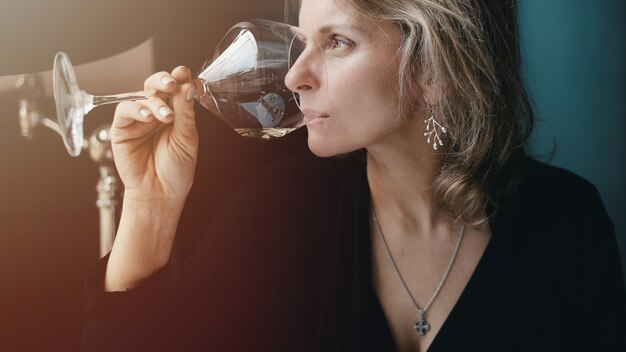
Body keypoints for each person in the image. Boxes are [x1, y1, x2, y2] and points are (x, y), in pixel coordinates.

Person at [81, 0, 626, 351]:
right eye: (299, 42)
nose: (295, 76)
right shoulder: (280, 208)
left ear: (435, 69)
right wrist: (151, 205)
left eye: (337, 42)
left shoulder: (566, 223)